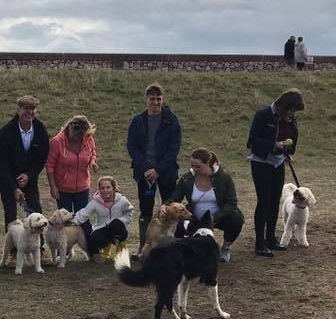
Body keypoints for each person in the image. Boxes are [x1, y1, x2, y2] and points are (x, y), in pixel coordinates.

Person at [126, 83, 182, 258]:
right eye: (152, 99)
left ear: (162, 99)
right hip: (144, 174)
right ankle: (143, 247)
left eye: (159, 99)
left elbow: (174, 148)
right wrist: (145, 168)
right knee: (146, 210)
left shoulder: (172, 120)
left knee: (170, 210)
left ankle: (170, 247)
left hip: (166, 172)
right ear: (146, 99)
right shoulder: (138, 121)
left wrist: (158, 169)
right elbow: (132, 146)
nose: (155, 102)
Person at [247, 88, 305, 257]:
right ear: (282, 106)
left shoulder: (290, 120)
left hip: (278, 163)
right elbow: (252, 141)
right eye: (291, 110)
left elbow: (292, 141)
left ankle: (270, 238)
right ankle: (259, 244)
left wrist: (287, 151)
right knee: (264, 201)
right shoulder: (263, 115)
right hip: (261, 162)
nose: (292, 114)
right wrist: (274, 145)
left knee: (274, 201)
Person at [165, 148, 244, 263]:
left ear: (207, 163)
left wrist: (215, 217)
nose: (194, 169)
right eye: (192, 166)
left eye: (198, 166)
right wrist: (165, 206)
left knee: (236, 219)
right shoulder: (187, 178)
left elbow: (232, 203)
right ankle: (183, 250)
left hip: (218, 218)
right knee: (178, 222)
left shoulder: (224, 178)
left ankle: (225, 248)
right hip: (194, 217)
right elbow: (175, 197)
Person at [0, 95, 50, 227]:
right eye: (26, 108)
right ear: (18, 110)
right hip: (8, 179)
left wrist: (29, 175)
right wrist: (14, 187)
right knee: (11, 216)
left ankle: (38, 246)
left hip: (29, 179)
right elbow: (3, 164)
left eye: (33, 109)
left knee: (36, 212)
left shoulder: (41, 130)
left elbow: (41, 158)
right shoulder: (4, 132)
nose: (29, 112)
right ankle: (12, 248)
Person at [72, 176, 134, 262]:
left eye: (108, 187)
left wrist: (122, 221)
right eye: (102, 188)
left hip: (118, 229)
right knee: (93, 237)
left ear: (114, 188)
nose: (105, 190)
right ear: (99, 190)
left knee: (116, 223)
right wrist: (71, 221)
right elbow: (84, 214)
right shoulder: (95, 202)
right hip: (102, 229)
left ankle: (121, 253)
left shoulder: (122, 201)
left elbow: (129, 213)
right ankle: (100, 252)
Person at [46, 114, 98, 214]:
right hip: (63, 189)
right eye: (77, 135)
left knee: (82, 219)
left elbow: (93, 153)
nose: (79, 138)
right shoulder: (57, 142)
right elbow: (50, 166)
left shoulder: (88, 139)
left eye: (82, 135)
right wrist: (53, 186)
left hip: (83, 187)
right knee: (65, 221)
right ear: (70, 127)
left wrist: (92, 162)